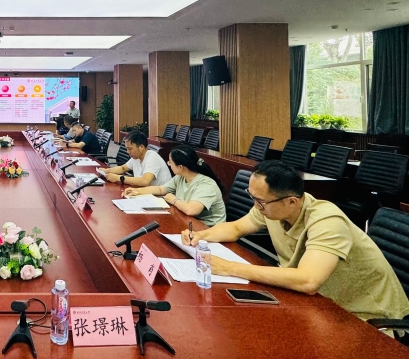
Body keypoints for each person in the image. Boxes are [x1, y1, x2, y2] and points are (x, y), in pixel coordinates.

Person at [181, 161, 409, 324]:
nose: (256, 206)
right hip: (318, 305)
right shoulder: (271, 208)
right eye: (253, 198)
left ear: (291, 201)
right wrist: (201, 235)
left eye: (260, 201)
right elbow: (236, 228)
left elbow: (308, 280)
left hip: (365, 317)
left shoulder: (326, 220)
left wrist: (229, 267)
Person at [125, 144, 226, 226]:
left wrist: (174, 200)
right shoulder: (181, 177)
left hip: (208, 229)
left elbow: (191, 210)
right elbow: (161, 189)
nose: (169, 165)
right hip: (188, 221)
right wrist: (137, 191)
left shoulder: (206, 185)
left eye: (170, 162)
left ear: (180, 167)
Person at [103, 131, 172, 188]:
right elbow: (123, 168)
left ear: (141, 147)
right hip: (146, 193)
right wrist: (106, 171)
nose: (127, 152)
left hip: (161, 197)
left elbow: (145, 181)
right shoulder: (136, 157)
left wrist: (119, 178)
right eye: (126, 148)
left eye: (130, 149)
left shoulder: (152, 158)